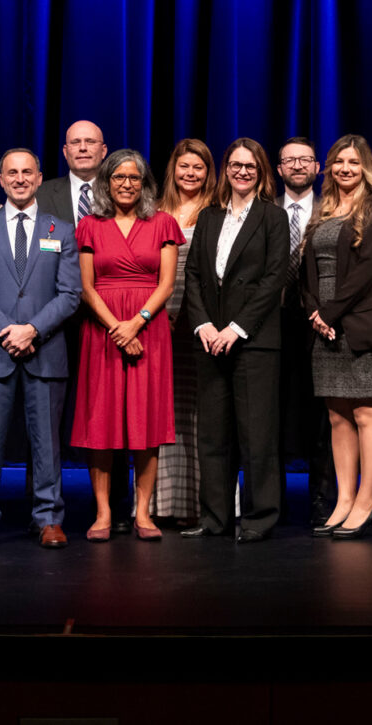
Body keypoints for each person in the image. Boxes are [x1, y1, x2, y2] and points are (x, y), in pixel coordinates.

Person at [0, 148, 81, 550]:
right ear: (0, 178)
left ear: (39, 177)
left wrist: (31, 329)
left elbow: (69, 294)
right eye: (11, 172)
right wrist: (7, 331)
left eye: (27, 172)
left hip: (44, 351)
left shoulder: (60, 231)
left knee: (47, 443)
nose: (19, 178)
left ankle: (48, 518)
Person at [71, 148, 185, 541]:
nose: (126, 184)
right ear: (106, 182)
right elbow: (86, 287)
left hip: (148, 329)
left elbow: (167, 285)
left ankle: (143, 513)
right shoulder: (89, 225)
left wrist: (136, 323)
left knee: (146, 421)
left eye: (134, 178)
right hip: (101, 330)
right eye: (118, 177)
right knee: (101, 421)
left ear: (145, 184)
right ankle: (103, 513)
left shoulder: (163, 223)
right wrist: (116, 329)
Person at [181, 139, 289, 542]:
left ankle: (260, 518)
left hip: (253, 341)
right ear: (225, 170)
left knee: (257, 435)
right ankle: (215, 518)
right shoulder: (209, 217)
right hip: (210, 340)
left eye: (251, 166)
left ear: (261, 172)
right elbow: (193, 274)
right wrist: (204, 325)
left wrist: (235, 328)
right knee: (213, 436)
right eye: (235, 165)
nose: (242, 172)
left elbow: (273, 278)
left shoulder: (272, 218)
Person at [35, 119, 131, 530]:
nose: (83, 148)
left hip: (110, 320)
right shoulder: (42, 193)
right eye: (75, 142)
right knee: (45, 418)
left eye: (91, 141)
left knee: (115, 413)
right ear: (64, 150)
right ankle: (45, 510)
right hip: (54, 319)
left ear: (103, 149)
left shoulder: (125, 190)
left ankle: (117, 507)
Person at [301, 135, 372, 539]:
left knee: (366, 413)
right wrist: (314, 312)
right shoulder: (322, 210)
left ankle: (366, 500)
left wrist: (331, 313)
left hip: (362, 325)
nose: (345, 169)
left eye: (354, 163)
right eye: (339, 161)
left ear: (366, 169)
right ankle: (343, 500)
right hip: (324, 327)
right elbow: (306, 269)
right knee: (338, 417)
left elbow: (367, 270)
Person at [153, 138, 217, 527]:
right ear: (173, 170)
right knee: (165, 412)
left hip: (202, 322)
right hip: (159, 321)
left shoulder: (217, 212)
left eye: (198, 168)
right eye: (184, 167)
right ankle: (163, 504)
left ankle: (204, 504)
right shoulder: (155, 211)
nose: (190, 174)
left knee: (202, 415)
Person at [276, 137, 334, 524]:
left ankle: (323, 504)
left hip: (322, 324)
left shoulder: (332, 211)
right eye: (289, 160)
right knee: (272, 418)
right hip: (272, 325)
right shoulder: (264, 211)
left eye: (305, 160)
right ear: (279, 169)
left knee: (325, 420)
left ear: (317, 168)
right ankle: (271, 505)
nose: (297, 166)